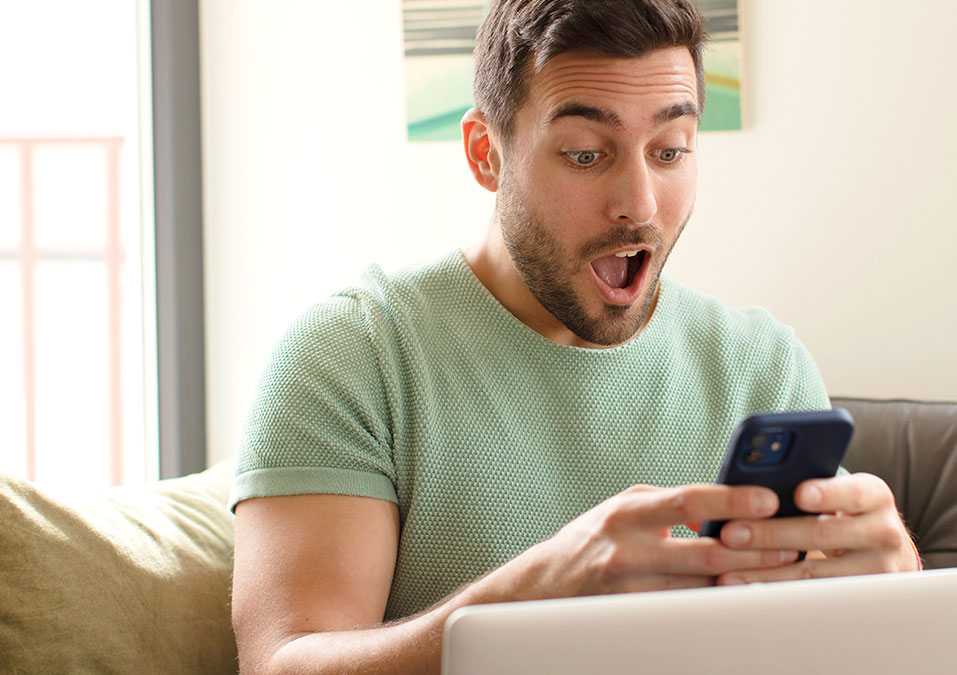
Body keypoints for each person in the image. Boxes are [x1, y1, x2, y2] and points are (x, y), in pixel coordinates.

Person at [230, 1, 920, 673]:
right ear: (485, 154)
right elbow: (282, 663)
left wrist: (893, 591)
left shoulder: (763, 367)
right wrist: (533, 598)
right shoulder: (354, 354)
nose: (640, 202)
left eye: (670, 150)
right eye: (587, 155)